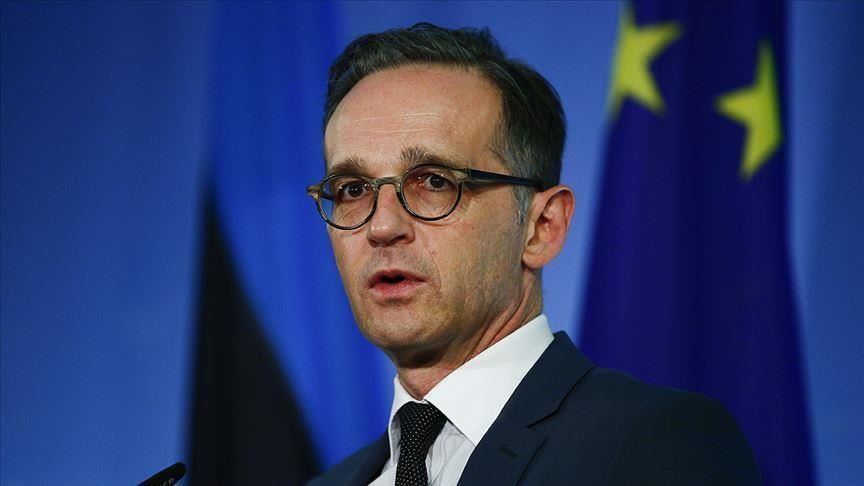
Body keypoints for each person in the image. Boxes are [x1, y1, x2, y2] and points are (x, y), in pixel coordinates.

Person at [306, 23, 760, 486]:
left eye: (435, 182)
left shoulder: (656, 444)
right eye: (352, 189)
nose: (382, 227)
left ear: (542, 227)